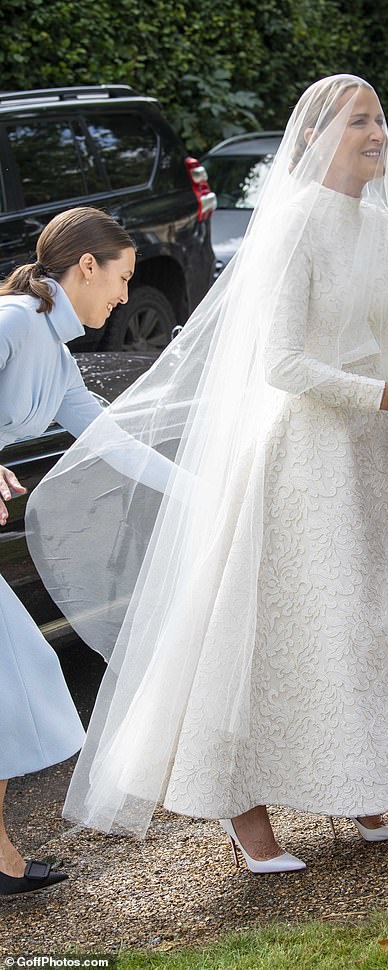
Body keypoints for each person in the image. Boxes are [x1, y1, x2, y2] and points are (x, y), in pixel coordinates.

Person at [28, 76, 388, 873]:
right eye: (361, 121)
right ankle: (244, 812)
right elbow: (282, 362)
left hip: (374, 453)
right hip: (308, 455)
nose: (378, 134)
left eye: (381, 119)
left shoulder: (377, 224)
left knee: (369, 623)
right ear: (320, 137)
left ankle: (363, 777)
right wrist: (383, 394)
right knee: (281, 633)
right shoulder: (294, 228)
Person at [0, 207, 136, 894]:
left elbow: (113, 441)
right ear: (87, 266)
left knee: (13, 684)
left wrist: (208, 493)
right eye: (122, 276)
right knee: (13, 677)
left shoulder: (54, 358)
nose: (124, 296)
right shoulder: (15, 322)